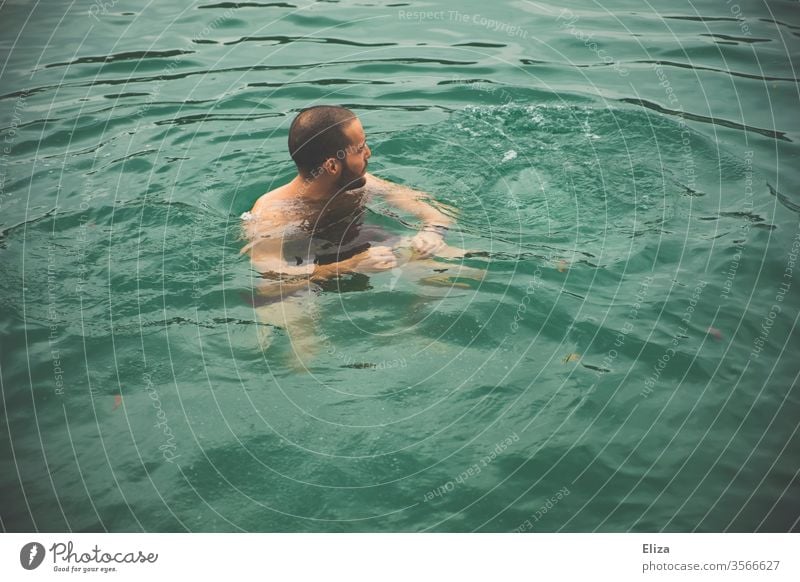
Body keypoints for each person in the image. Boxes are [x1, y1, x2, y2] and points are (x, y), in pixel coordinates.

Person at [240, 105, 480, 357]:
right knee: (305, 355)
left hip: (366, 251)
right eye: (359, 149)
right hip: (303, 271)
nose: (369, 153)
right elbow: (272, 283)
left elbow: (434, 210)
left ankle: (411, 326)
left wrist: (432, 233)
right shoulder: (272, 214)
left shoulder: (359, 184)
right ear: (332, 166)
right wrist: (352, 266)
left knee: (470, 273)